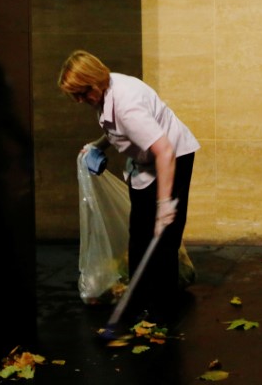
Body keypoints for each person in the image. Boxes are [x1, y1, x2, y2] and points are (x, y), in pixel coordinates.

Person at [58, 50, 200, 322]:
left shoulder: (126, 104)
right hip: (149, 159)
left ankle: (163, 308)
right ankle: (137, 297)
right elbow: (119, 129)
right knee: (140, 230)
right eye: (74, 95)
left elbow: (165, 152)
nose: (79, 101)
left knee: (164, 237)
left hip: (173, 157)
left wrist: (165, 204)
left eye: (82, 93)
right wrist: (99, 145)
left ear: (95, 81)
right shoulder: (105, 89)